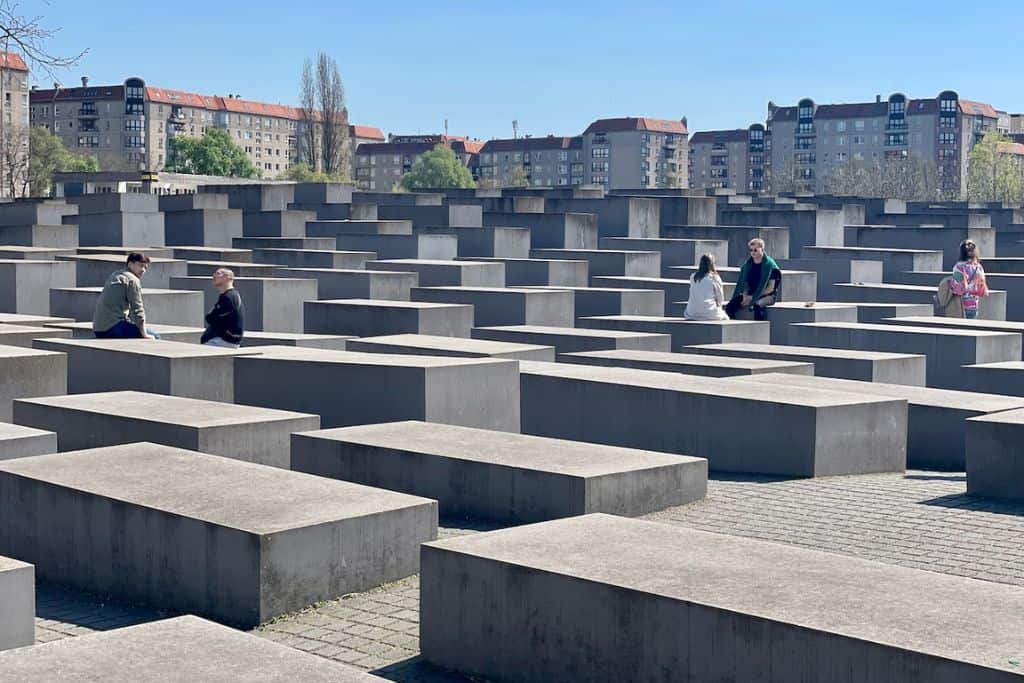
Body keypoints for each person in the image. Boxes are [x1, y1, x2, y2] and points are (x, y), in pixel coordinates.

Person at [92, 252, 160, 339]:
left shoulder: (116, 275)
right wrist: (144, 334)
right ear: (130, 264)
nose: (143, 270)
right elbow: (137, 309)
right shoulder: (132, 279)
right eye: (140, 265)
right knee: (155, 336)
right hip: (113, 328)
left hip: (98, 329)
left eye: (145, 267)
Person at [724, 238, 781, 321]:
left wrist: (753, 297)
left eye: (755, 250)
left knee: (757, 305)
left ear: (762, 250)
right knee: (730, 306)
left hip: (767, 295)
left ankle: (760, 327)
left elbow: (771, 288)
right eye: (751, 250)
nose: (753, 252)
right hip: (750, 294)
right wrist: (745, 295)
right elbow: (746, 283)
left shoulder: (770, 266)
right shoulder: (748, 265)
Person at [201, 268, 245, 348]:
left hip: (225, 341)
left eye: (218, 273)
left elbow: (210, 318)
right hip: (223, 340)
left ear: (228, 278)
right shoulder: (228, 295)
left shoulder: (229, 297)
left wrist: (211, 316)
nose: (214, 276)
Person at [950, 239, 988, 319]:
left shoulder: (958, 267)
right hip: (974, 304)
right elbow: (982, 287)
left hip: (960, 304)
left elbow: (957, 288)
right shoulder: (978, 267)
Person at [683, 253, 728, 321]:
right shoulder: (715, 278)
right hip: (710, 313)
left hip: (692, 313)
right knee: (725, 317)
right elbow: (720, 298)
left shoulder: (693, 277)